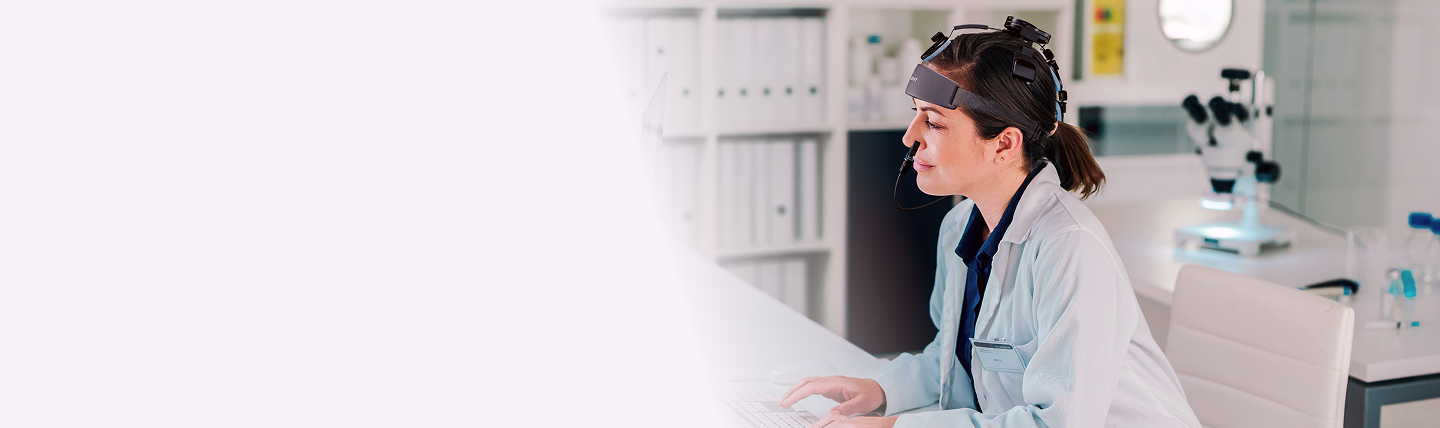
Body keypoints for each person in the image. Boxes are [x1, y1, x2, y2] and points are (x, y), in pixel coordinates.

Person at [775, 29, 1202, 428]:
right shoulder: (960, 224)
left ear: (1004, 144)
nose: (910, 137)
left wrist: (895, 426)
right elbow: (954, 363)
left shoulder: (1071, 247)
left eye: (934, 122)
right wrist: (879, 389)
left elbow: (1057, 423)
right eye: (915, 115)